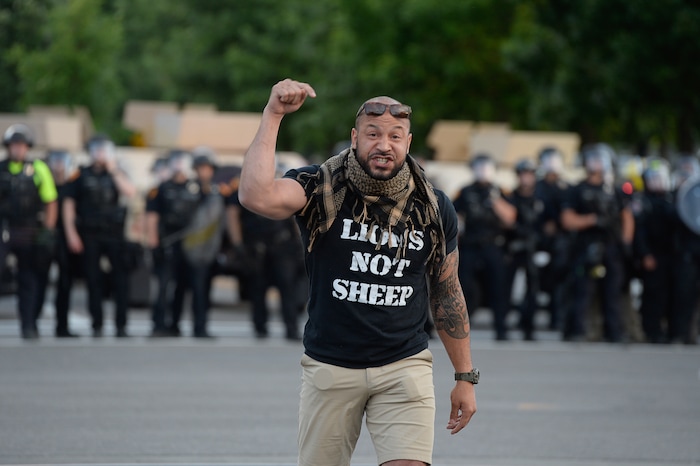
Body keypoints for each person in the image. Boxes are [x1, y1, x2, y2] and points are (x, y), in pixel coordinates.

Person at [238, 79, 477, 466]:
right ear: (354, 138)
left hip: (405, 365)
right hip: (331, 366)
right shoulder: (320, 187)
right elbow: (255, 194)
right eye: (373, 134)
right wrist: (274, 115)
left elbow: (447, 292)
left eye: (395, 136)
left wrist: (465, 377)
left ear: (408, 142)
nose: (384, 144)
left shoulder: (432, 207)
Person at [63, 134, 137, 338]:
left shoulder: (117, 172)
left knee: (121, 280)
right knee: (93, 280)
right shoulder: (80, 174)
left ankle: (121, 326)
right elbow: (69, 205)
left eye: (104, 149)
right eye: (97, 149)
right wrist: (72, 234)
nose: (100, 153)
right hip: (89, 233)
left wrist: (113, 169)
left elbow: (130, 192)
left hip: (114, 233)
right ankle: (97, 324)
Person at [560, 143, 634, 342]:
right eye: (593, 159)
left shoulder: (615, 190)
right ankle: (577, 331)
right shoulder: (577, 190)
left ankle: (614, 332)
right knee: (583, 291)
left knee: (613, 292)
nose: (597, 164)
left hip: (611, 246)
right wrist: (592, 220)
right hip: (586, 246)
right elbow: (567, 219)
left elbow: (627, 217)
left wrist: (625, 243)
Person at [227, 173, 304, 340]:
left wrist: (299, 241)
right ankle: (260, 327)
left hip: (282, 245)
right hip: (256, 247)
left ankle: (291, 328)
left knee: (288, 289)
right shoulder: (245, 186)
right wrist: (238, 244)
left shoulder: (283, 184)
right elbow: (232, 215)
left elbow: (294, 214)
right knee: (258, 289)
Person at [0, 124, 58, 339]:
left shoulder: (38, 169)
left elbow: (50, 201)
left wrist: (48, 230)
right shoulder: (1, 169)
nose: (18, 150)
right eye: (14, 145)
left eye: (21, 145)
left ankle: (29, 324)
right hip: (4, 229)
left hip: (29, 230)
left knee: (29, 278)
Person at [452, 152, 517, 341]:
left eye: (486, 167)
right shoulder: (465, 191)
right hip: (471, 245)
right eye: (479, 167)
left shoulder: (501, 191)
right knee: (464, 287)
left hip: (493, 245)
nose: (483, 171)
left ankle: (501, 328)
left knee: (498, 287)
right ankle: (460, 328)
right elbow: (453, 216)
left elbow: (510, 218)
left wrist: (495, 199)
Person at [145, 149, 200, 337]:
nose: (179, 165)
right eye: (176, 161)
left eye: (182, 161)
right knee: (163, 286)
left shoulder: (196, 187)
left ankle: (175, 324)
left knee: (183, 287)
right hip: (167, 242)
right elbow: (152, 217)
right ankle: (158, 324)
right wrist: (153, 243)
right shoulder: (162, 188)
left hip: (190, 244)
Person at [633, 158, 676, 343]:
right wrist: (645, 254)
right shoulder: (643, 201)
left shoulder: (672, 199)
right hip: (652, 254)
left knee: (670, 294)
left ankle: (668, 330)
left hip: (672, 255)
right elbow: (639, 232)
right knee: (653, 295)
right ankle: (651, 331)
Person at [38, 150, 80, 337]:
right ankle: (31, 322)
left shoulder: (72, 186)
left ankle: (62, 326)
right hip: (45, 238)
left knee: (65, 283)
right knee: (39, 280)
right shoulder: (44, 183)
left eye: (62, 162)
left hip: (65, 240)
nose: (59, 166)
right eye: (55, 162)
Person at [505, 158, 543, 341]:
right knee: (506, 288)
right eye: (523, 174)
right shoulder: (511, 197)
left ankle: (529, 327)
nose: (526, 178)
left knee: (533, 290)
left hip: (534, 249)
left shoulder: (541, 198)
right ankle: (503, 326)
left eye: (529, 174)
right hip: (514, 248)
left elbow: (549, 224)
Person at [533, 147, 570, 330]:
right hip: (538, 239)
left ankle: (557, 319)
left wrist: (556, 225)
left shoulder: (565, 188)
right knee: (535, 281)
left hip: (560, 241)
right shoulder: (537, 187)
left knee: (560, 283)